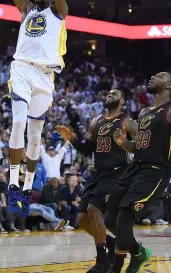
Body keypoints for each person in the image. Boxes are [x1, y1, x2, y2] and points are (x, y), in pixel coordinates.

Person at [3, 0, 68, 218]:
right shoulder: (27, 10)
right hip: (22, 69)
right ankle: (13, 184)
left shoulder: (59, 12)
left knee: (35, 137)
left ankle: (27, 187)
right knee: (18, 122)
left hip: (46, 78)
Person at [57, 89, 138, 273]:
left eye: (115, 93)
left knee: (94, 210)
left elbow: (141, 146)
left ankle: (102, 261)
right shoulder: (96, 122)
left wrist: (125, 145)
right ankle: (111, 244)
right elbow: (87, 150)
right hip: (99, 174)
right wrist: (72, 139)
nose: (110, 95)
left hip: (118, 173)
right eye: (108, 93)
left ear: (122, 101)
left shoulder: (127, 122)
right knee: (82, 218)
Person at [105, 72, 171, 273]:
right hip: (135, 168)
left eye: (159, 76)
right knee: (110, 218)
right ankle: (138, 253)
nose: (153, 77)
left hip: (155, 171)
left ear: (169, 85)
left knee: (125, 215)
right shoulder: (144, 112)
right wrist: (124, 143)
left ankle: (115, 268)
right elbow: (138, 146)